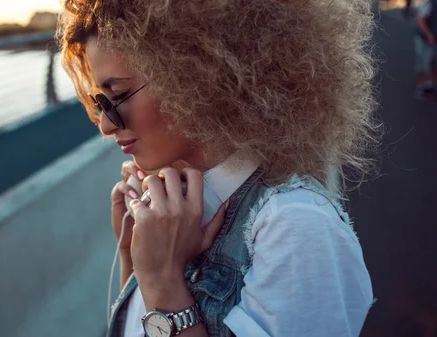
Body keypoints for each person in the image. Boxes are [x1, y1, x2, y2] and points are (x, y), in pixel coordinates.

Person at [57, 0, 378, 336]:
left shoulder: (297, 227)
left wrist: (162, 280)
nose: (106, 126)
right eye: (99, 103)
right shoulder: (170, 208)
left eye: (119, 95)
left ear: (198, 76)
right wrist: (133, 253)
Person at [414, 0, 437, 99]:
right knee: (422, 63)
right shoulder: (429, 4)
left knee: (434, 63)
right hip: (425, 39)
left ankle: (429, 84)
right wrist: (428, 35)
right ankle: (420, 87)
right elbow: (420, 20)